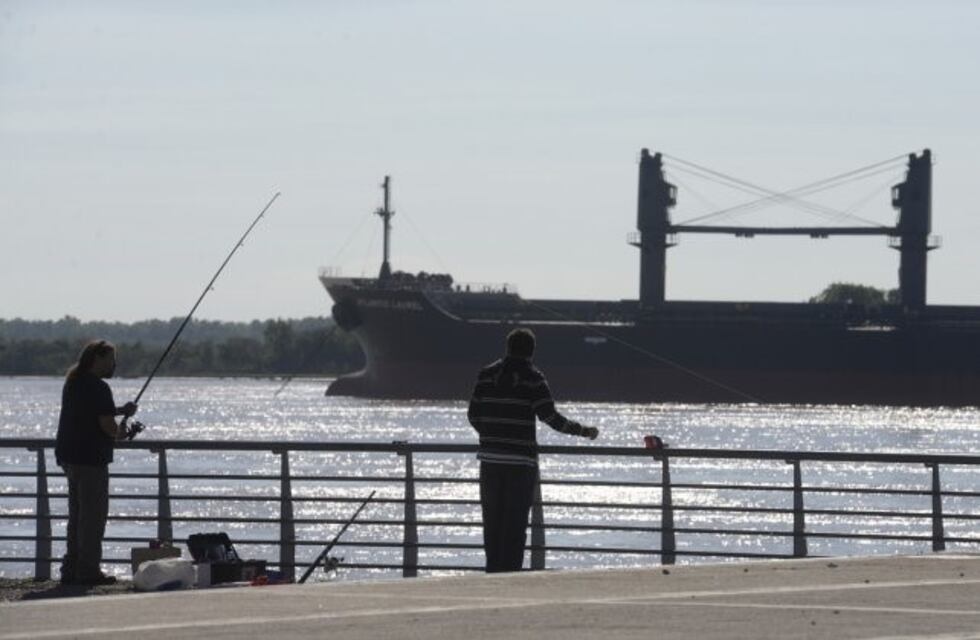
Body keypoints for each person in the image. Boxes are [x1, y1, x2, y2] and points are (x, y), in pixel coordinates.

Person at [468, 328, 598, 572]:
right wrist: (584, 431)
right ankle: (509, 576)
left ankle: (492, 573)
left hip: (490, 461)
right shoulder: (533, 378)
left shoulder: (486, 374)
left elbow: (473, 414)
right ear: (532, 351)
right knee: (514, 525)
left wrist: (491, 437)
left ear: (507, 347)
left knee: (492, 522)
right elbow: (551, 418)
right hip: (521, 463)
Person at [55, 340, 137, 586]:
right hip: (91, 459)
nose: (115, 364)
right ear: (98, 359)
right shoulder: (99, 387)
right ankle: (88, 571)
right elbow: (107, 425)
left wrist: (121, 410)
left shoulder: (74, 382)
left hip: (69, 457)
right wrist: (124, 433)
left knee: (76, 516)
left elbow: (93, 412)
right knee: (93, 518)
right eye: (112, 359)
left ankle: (70, 568)